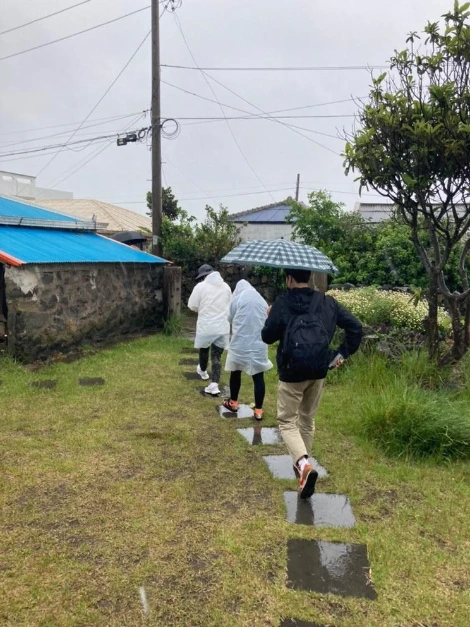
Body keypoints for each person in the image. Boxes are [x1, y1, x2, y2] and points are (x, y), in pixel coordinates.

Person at [261, 268, 362, 499]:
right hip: (318, 370)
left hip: (291, 372)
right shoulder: (327, 302)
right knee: (307, 419)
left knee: (287, 421)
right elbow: (355, 327)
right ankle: (303, 472)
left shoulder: (282, 303)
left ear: (289, 279)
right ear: (309, 277)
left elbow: (267, 337)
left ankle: (303, 465)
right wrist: (339, 355)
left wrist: (270, 316)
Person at [222, 279, 273, 420]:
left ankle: (233, 403)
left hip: (240, 342)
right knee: (258, 376)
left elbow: (229, 318)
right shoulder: (262, 300)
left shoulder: (238, 299)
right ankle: (258, 411)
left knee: (235, 371)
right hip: (258, 344)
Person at [188, 264, 232, 395]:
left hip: (206, 326)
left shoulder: (200, 287)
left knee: (204, 349)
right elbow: (230, 306)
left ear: (203, 276)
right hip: (222, 327)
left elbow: (192, 306)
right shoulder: (226, 287)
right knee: (216, 355)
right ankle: (214, 384)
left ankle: (202, 370)